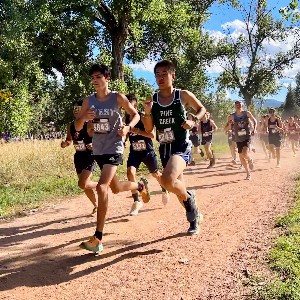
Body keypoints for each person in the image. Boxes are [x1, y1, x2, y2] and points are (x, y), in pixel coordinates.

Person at [75, 64, 150, 253]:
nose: (95, 81)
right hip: (98, 149)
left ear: (107, 78)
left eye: (98, 76)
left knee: (102, 187)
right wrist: (84, 118)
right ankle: (140, 186)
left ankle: (98, 238)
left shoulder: (117, 97)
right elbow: (77, 127)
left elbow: (135, 114)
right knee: (115, 188)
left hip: (115, 147)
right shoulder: (88, 101)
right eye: (92, 78)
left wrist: (127, 128)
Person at [142, 60, 206, 235]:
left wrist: (193, 121)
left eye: (164, 74)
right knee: (177, 189)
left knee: (167, 181)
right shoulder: (153, 99)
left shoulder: (182, 95)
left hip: (181, 145)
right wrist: (147, 112)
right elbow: (148, 129)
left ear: (172, 75)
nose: (160, 78)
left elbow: (201, 109)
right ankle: (194, 217)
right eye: (157, 75)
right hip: (164, 148)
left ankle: (190, 199)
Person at [124, 94, 170, 216]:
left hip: (147, 151)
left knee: (156, 174)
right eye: (125, 103)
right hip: (135, 152)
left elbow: (152, 135)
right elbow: (127, 133)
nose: (127, 106)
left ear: (135, 104)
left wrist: (138, 131)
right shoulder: (126, 119)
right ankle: (136, 201)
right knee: (130, 173)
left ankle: (164, 189)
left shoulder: (143, 117)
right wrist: (124, 140)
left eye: (130, 103)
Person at [60, 100, 98, 215]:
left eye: (78, 109)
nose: (76, 111)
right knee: (85, 186)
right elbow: (69, 139)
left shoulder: (91, 123)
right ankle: (96, 205)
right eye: (74, 109)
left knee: (83, 183)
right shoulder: (71, 125)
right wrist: (65, 143)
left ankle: (104, 184)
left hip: (90, 156)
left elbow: (101, 138)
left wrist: (94, 145)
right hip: (79, 157)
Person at [227, 100, 257, 180]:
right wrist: (229, 126)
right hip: (238, 138)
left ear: (242, 105)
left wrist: (254, 129)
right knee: (241, 156)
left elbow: (254, 121)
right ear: (235, 106)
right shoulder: (232, 116)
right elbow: (227, 126)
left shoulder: (247, 113)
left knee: (244, 153)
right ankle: (248, 174)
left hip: (247, 136)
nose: (238, 106)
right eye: (236, 104)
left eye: (240, 104)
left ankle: (250, 159)